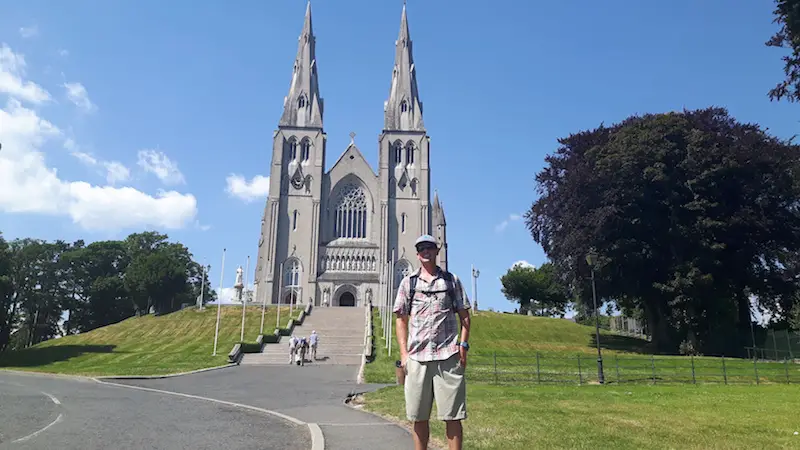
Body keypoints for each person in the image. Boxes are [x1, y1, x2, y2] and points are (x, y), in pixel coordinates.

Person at [393, 234, 471, 450]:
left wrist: (463, 346)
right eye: (421, 249)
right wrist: (403, 354)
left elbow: (465, 316)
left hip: (447, 355)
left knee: (453, 416)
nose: (425, 251)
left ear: (437, 251)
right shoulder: (408, 283)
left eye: (429, 247)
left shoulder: (451, 281)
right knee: (418, 417)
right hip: (418, 357)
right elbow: (400, 319)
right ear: (417, 254)